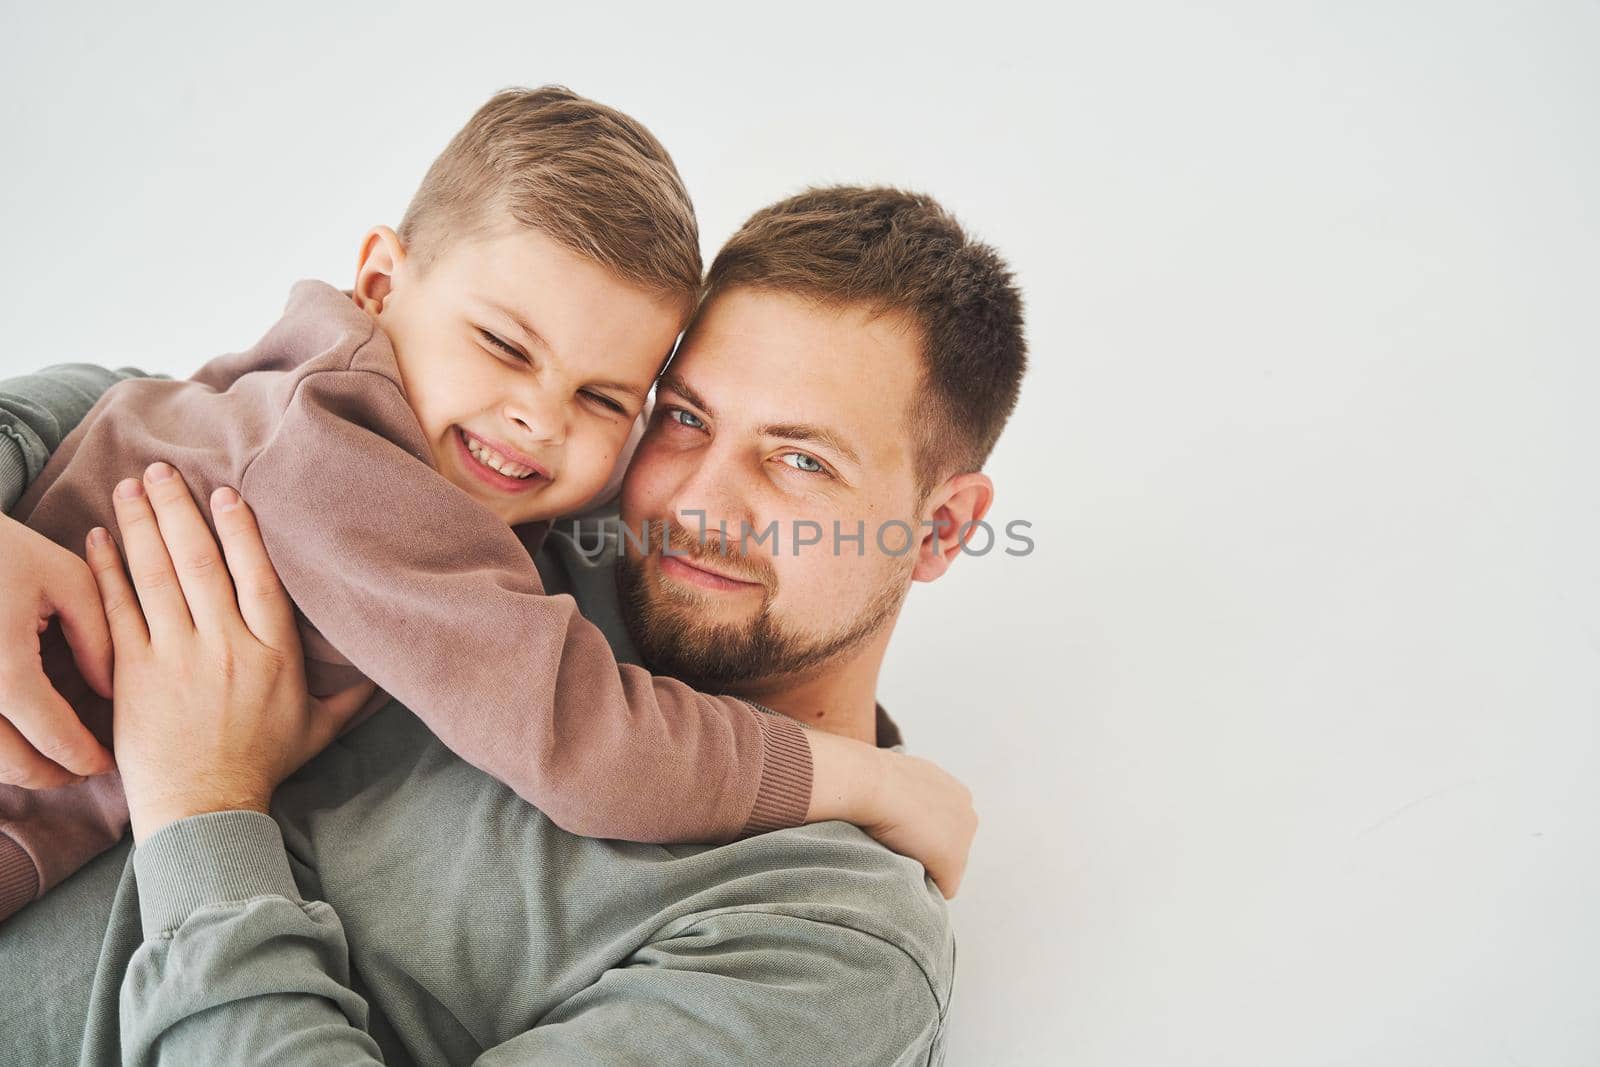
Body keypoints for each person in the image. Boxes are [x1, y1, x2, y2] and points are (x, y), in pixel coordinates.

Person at [0, 185, 1026, 1063]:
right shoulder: (524, 514)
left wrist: (202, 802)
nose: (696, 505)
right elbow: (173, 416)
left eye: (800, 460)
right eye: (682, 418)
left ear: (939, 528)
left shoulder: (828, 932)